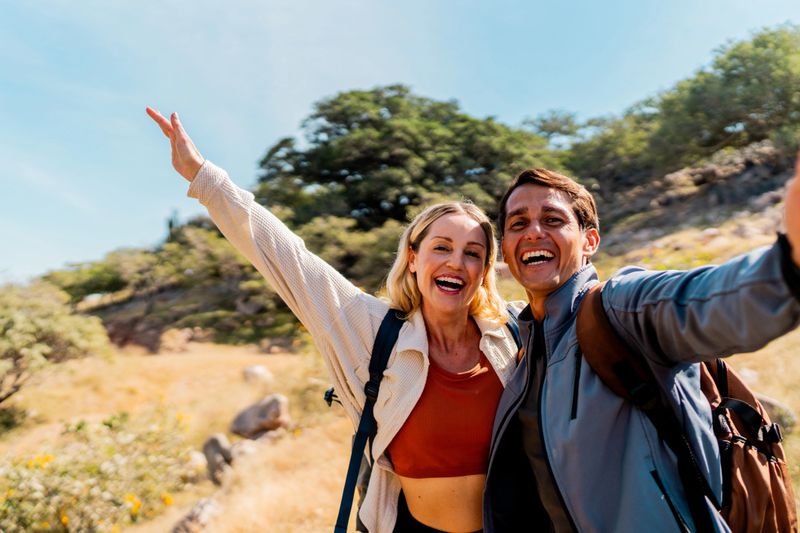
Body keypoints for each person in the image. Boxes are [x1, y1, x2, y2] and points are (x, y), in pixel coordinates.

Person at [146, 108, 520, 533]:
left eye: (473, 253)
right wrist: (204, 177)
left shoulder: (511, 333)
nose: (457, 262)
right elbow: (289, 258)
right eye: (442, 247)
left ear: (485, 268)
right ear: (413, 258)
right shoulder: (372, 327)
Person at [482, 159, 800, 532]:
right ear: (504, 248)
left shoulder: (621, 308)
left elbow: (712, 301)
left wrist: (786, 267)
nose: (533, 231)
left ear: (590, 241)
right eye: (518, 223)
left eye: (553, 220)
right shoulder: (522, 351)